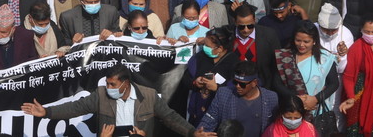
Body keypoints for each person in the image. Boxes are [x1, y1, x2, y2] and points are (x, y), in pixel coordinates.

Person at [23, 63, 199, 136]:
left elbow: (170, 117)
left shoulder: (149, 96)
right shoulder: (101, 95)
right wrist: (47, 112)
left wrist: (192, 132)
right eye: (107, 83)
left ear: (126, 84)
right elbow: (75, 108)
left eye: (113, 84)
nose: (109, 88)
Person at [196, 60, 279, 137]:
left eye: (242, 84)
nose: (237, 86)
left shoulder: (271, 98)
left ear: (254, 83)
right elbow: (210, 118)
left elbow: (277, 126)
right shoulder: (223, 94)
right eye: (235, 82)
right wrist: (201, 132)